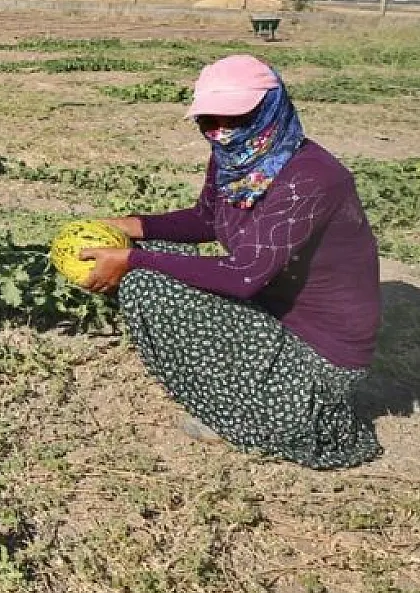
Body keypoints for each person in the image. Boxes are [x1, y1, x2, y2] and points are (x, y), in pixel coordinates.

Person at [78, 55, 382, 470]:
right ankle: (241, 400)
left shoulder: (311, 178)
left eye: (236, 119)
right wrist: (133, 226)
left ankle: (251, 417)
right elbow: (207, 219)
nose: (220, 132)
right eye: (208, 121)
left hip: (320, 360)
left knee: (146, 282)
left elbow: (244, 275)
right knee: (162, 257)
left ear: (271, 109)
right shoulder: (238, 160)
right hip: (273, 315)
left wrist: (131, 259)